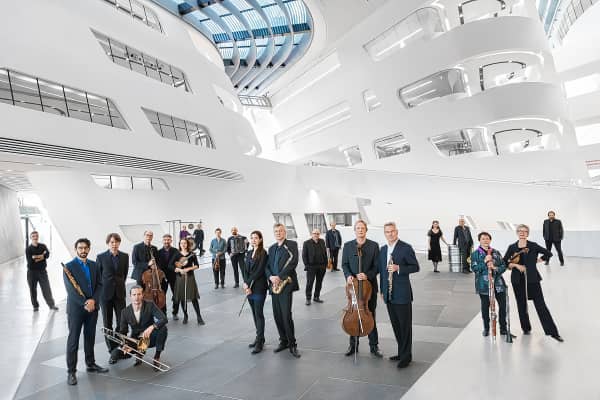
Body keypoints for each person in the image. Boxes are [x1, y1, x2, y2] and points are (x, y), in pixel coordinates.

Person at [504, 224, 563, 342]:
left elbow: (548, 253)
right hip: (517, 280)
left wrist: (537, 261)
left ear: (527, 233)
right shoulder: (512, 247)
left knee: (540, 305)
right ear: (517, 233)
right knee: (521, 305)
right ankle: (526, 328)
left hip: (532, 279)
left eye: (525, 231)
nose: (522, 233)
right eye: (520, 231)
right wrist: (516, 265)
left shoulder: (533, 245)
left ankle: (553, 332)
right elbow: (505, 262)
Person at [63, 238, 107, 385]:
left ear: (89, 249)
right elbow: (70, 290)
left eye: (85, 248)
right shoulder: (69, 266)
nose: (83, 250)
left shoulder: (94, 265)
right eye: (80, 248)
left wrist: (93, 300)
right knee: (73, 340)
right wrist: (85, 303)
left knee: (90, 337)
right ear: (76, 249)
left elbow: (100, 285)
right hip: (76, 309)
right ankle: (71, 372)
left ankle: (90, 363)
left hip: (92, 308)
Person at [379, 222, 419, 368]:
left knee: (405, 326)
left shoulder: (405, 247)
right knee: (396, 325)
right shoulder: (383, 250)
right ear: (385, 233)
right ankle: (401, 353)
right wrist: (382, 290)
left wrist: (399, 268)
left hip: (402, 294)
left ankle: (406, 357)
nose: (390, 234)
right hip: (389, 295)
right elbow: (382, 272)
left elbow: (415, 267)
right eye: (387, 232)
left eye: (392, 231)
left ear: (396, 232)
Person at [341, 219, 382, 358]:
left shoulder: (374, 246)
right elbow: (344, 264)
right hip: (353, 287)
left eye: (362, 228)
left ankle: (374, 346)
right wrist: (348, 275)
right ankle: (353, 345)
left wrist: (367, 275)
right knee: (353, 316)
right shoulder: (348, 246)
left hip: (368, 289)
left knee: (370, 315)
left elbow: (377, 266)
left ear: (366, 230)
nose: (360, 230)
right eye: (358, 228)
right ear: (355, 230)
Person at [110, 285, 168, 370]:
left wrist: (152, 327)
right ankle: (140, 352)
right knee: (115, 354)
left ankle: (157, 357)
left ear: (142, 295)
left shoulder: (150, 305)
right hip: (137, 340)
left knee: (163, 328)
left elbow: (164, 319)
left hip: (150, 338)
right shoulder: (125, 312)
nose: (136, 297)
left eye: (139, 294)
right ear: (130, 296)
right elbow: (123, 331)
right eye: (134, 295)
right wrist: (125, 344)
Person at [266, 223, 301, 358]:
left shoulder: (291, 245)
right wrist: (271, 277)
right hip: (274, 285)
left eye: (280, 231)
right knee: (277, 315)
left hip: (285, 284)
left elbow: (293, 262)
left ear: (285, 232)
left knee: (286, 315)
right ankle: (283, 341)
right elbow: (267, 266)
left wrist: (280, 277)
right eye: (276, 231)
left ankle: (292, 344)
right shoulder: (272, 248)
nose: (278, 233)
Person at [470, 232, 511, 338]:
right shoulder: (475, 254)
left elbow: (503, 266)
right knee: (485, 307)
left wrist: (495, 268)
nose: (485, 240)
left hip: (498, 284)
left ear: (490, 240)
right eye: (483, 239)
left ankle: (503, 328)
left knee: (503, 306)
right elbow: (474, 268)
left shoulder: (496, 252)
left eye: (487, 238)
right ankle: (487, 328)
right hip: (484, 285)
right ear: (479, 240)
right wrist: (484, 262)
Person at [96, 233, 129, 355]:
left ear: (119, 243)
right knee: (107, 323)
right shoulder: (101, 257)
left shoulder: (125, 256)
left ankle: (119, 346)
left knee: (122, 322)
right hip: (105, 295)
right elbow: (98, 276)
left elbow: (124, 274)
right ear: (108, 243)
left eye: (116, 242)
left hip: (120, 293)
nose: (114, 244)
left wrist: (119, 284)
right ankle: (112, 350)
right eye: (112, 242)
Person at [243, 230, 268, 354]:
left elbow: (259, 271)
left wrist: (248, 283)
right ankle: (259, 337)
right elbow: (244, 270)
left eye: (256, 238)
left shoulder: (263, 253)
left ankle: (260, 342)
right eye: (252, 238)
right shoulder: (248, 253)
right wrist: (245, 283)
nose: (253, 240)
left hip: (259, 287)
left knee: (259, 314)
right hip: (249, 288)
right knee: (254, 313)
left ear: (260, 239)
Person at [25, 231, 58, 312]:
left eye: (36, 236)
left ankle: (51, 305)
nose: (35, 237)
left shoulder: (43, 246)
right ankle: (35, 306)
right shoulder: (28, 249)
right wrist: (42, 256)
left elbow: (47, 255)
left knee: (46, 288)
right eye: (33, 236)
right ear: (31, 238)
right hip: (31, 272)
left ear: (38, 237)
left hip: (42, 272)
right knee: (32, 290)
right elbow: (30, 262)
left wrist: (36, 257)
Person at [174, 238, 204, 325]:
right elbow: (171, 265)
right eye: (181, 243)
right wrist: (179, 270)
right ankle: (185, 315)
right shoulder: (176, 254)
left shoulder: (192, 254)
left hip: (190, 276)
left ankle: (199, 316)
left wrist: (189, 269)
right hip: (180, 277)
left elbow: (197, 265)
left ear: (187, 244)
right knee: (182, 297)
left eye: (185, 243)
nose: (183, 245)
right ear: (179, 244)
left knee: (193, 297)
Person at [302, 229, 327, 305]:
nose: (316, 235)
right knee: (310, 283)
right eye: (314, 233)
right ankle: (308, 298)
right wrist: (307, 265)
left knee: (319, 282)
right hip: (311, 266)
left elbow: (325, 252)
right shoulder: (306, 243)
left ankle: (316, 297)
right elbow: (304, 255)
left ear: (319, 234)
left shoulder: (322, 241)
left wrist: (325, 264)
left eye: (317, 233)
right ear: (311, 234)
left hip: (321, 266)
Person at [157, 234, 180, 320]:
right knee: (162, 297)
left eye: (168, 240)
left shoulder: (176, 251)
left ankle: (175, 312)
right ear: (162, 241)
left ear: (171, 241)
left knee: (176, 295)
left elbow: (179, 262)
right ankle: (164, 314)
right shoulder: (158, 252)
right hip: (162, 277)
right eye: (165, 240)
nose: (166, 241)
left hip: (174, 276)